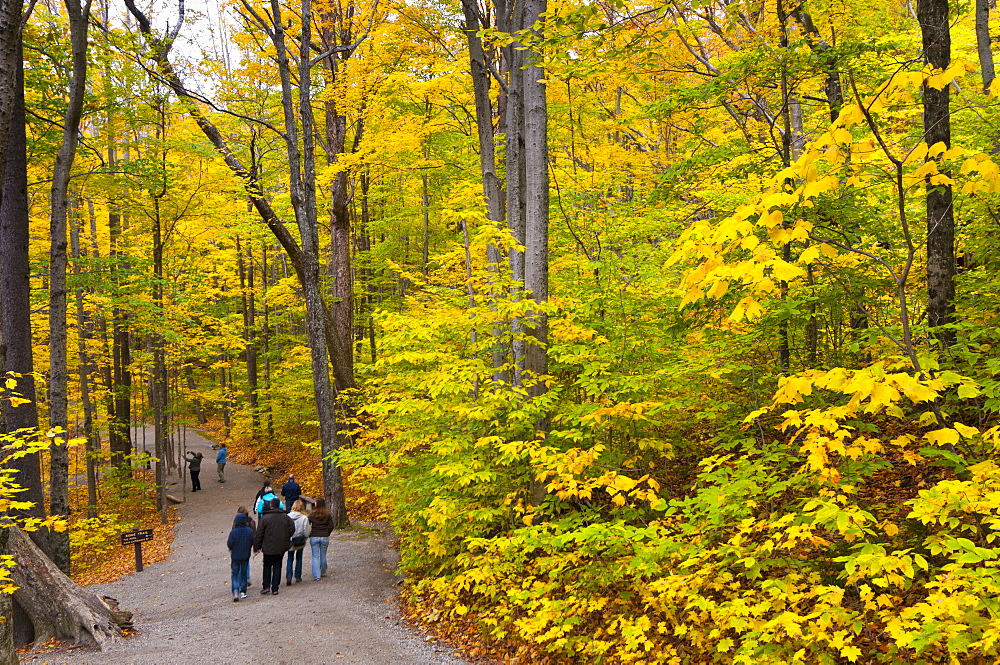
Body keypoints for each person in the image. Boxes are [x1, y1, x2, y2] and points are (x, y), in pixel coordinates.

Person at [253, 497, 294, 595]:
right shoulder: (286, 517)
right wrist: (286, 537)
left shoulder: (265, 518)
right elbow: (292, 529)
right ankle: (275, 587)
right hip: (281, 546)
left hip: (268, 546)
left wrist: (257, 546)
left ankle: (266, 586)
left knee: (267, 566)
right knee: (277, 566)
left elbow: (259, 533)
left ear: (271, 505)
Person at [227, 512, 254, 602]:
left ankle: (235, 591)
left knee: (234, 574)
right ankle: (243, 591)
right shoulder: (249, 531)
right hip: (245, 555)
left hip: (235, 556)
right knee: (243, 573)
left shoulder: (233, 533)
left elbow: (229, 544)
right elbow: (252, 541)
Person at [308, 497, 335, 581]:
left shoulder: (312, 515)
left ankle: (317, 575)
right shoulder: (327, 514)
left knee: (315, 556)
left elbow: (308, 526)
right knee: (323, 554)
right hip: (324, 536)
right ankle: (322, 571)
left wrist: (310, 534)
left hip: (314, 536)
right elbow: (331, 526)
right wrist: (327, 533)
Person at [285, 499, 311, 585]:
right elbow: (306, 531)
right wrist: (305, 537)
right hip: (300, 540)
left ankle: (289, 576)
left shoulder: (287, 517)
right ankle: (298, 576)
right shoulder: (304, 518)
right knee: (299, 558)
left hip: (290, 540)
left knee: (290, 558)